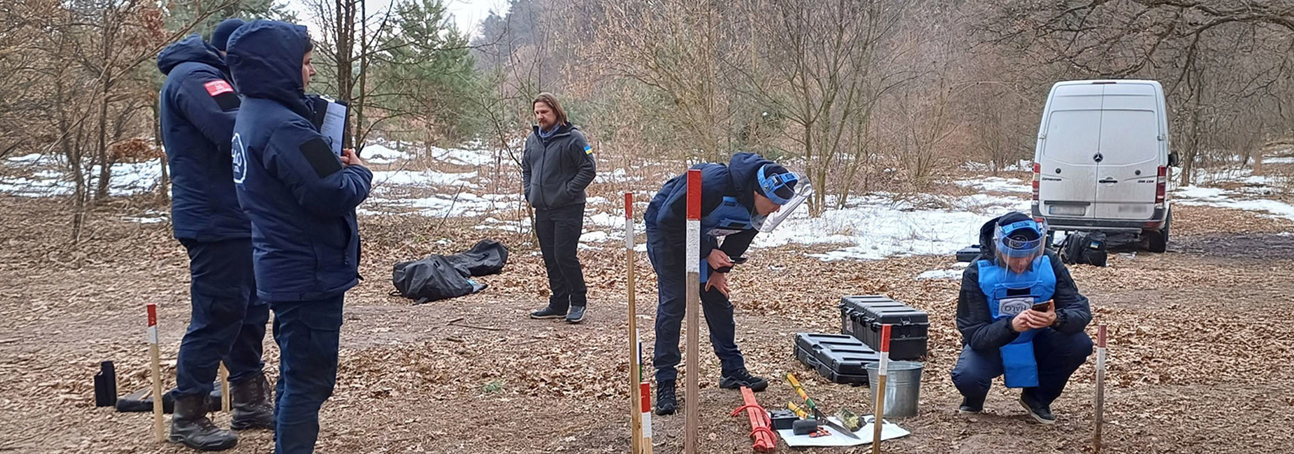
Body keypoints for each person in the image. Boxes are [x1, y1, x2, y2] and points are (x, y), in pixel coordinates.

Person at [226, 20, 372, 453]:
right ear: (277, 68)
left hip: (286, 264)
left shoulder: (253, 114)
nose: (310, 73)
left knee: (296, 376)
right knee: (309, 383)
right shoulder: (285, 129)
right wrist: (361, 171)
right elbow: (333, 192)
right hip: (308, 272)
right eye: (305, 64)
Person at [156, 18, 273, 451]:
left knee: (250, 310)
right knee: (218, 312)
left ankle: (248, 399)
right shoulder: (196, 77)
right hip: (215, 218)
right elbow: (232, 129)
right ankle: (189, 413)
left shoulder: (213, 76)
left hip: (237, 216)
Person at [644, 152, 806, 415]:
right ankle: (666, 381)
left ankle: (732, 370)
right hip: (667, 231)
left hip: (702, 232)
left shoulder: (758, 204)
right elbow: (668, 221)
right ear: (757, 192)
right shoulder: (712, 184)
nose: (776, 209)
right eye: (774, 203)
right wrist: (707, 252)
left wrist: (721, 270)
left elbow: (742, 236)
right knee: (674, 304)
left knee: (717, 299)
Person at [951, 212, 1094, 424]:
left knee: (1080, 343)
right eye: (1015, 257)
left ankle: (1037, 398)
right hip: (993, 344)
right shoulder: (976, 271)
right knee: (967, 376)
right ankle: (974, 395)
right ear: (999, 248)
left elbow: (1080, 310)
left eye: (1029, 256)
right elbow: (974, 334)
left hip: (1039, 340)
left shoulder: (1050, 262)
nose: (1023, 262)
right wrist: (1011, 326)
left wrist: (1056, 319)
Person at [523, 93, 596, 324]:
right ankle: (558, 303)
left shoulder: (574, 138)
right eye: (537, 112)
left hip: (569, 208)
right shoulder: (533, 140)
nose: (540, 117)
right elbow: (526, 168)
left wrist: (566, 191)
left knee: (564, 255)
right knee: (550, 257)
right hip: (542, 208)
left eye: (544, 112)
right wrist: (529, 191)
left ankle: (578, 301)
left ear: (556, 111)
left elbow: (588, 169)